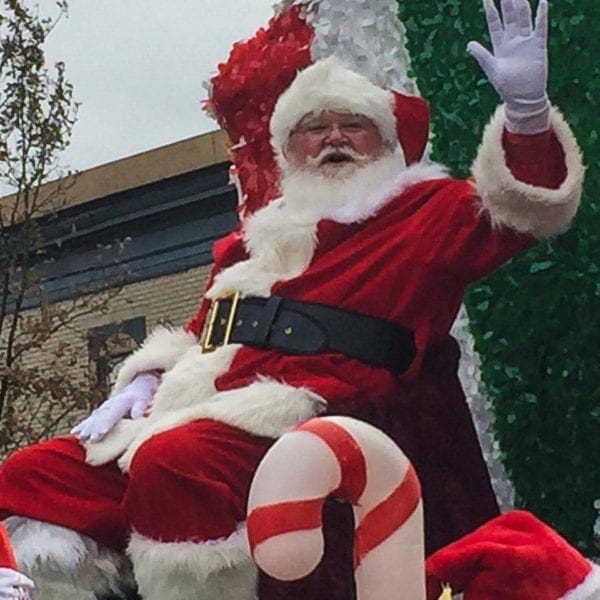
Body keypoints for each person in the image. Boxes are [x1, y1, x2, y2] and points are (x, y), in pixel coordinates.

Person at [0, 0, 584, 598]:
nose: (332, 139)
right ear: (291, 148)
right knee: (30, 476)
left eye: (351, 125)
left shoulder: (423, 211)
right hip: (198, 401)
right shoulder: (256, 239)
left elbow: (517, 210)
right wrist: (143, 382)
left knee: (177, 461)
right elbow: (204, 329)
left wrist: (527, 114)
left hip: (320, 411)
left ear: (384, 140)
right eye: (314, 128)